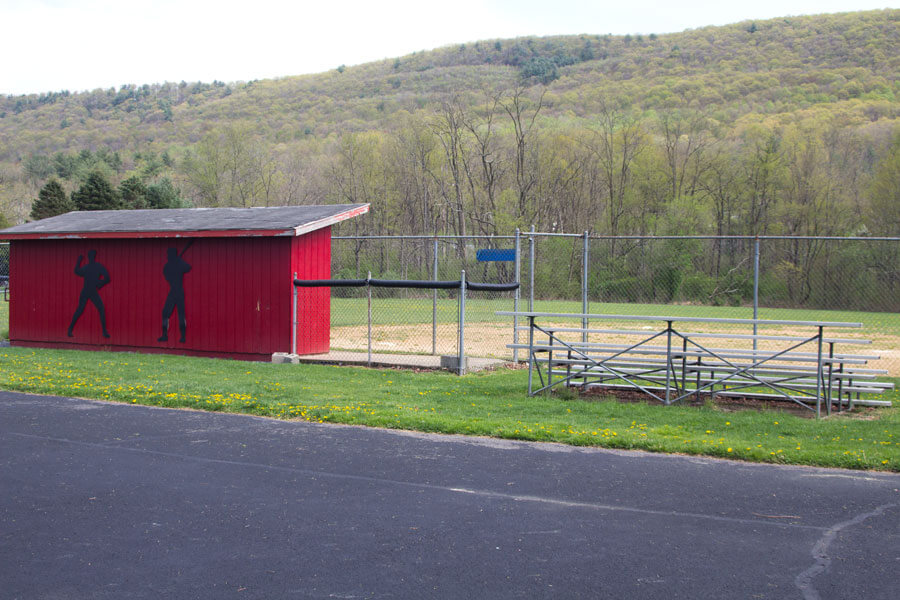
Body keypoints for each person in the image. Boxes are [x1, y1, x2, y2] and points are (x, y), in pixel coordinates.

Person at [67, 249, 110, 338]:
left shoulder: (89, 267)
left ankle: (70, 329)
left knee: (81, 310)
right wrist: (100, 283)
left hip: (87, 291)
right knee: (99, 309)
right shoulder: (97, 267)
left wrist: (79, 260)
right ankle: (104, 332)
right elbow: (107, 278)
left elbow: (77, 271)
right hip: (90, 291)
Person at [158, 247, 191, 343]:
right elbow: (187, 267)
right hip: (178, 291)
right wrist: (179, 262)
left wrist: (178, 262)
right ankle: (182, 337)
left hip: (174, 291)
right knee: (179, 314)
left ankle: (167, 336)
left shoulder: (169, 265)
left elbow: (188, 268)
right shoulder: (174, 264)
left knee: (168, 313)